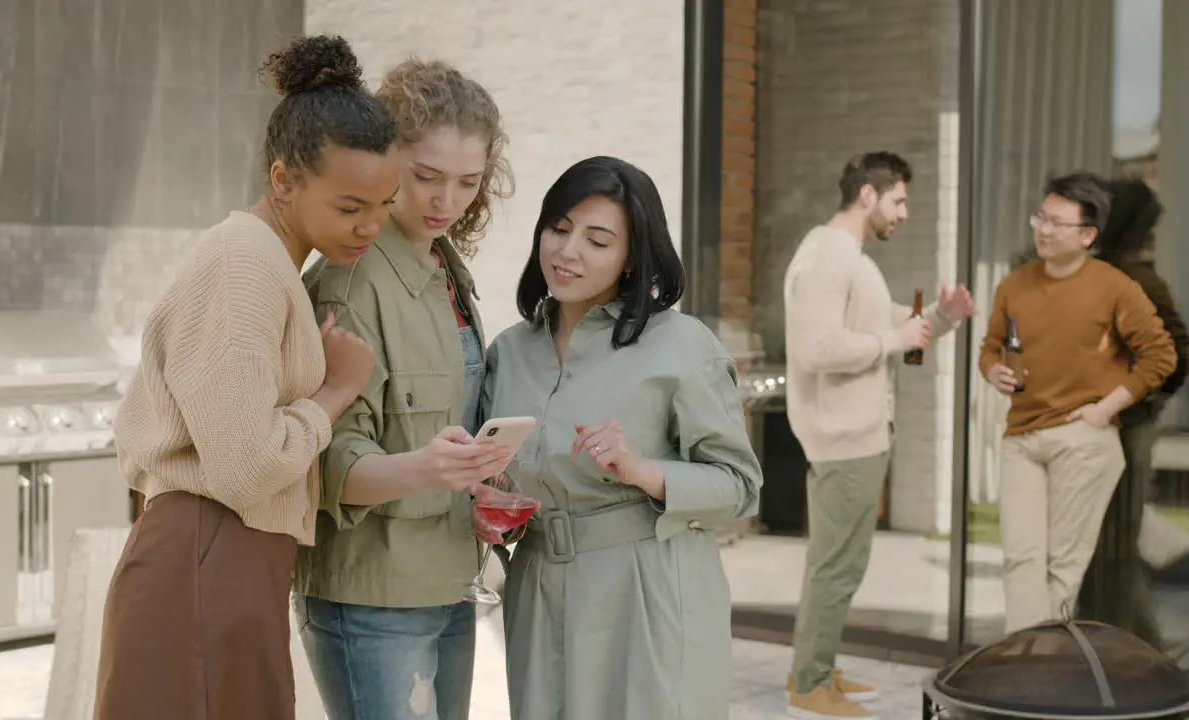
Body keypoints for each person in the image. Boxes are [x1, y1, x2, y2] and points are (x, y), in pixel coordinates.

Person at [94, 35, 399, 719]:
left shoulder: (267, 264)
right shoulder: (243, 266)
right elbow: (243, 467)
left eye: (385, 203)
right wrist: (334, 393)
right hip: (205, 556)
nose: (371, 226)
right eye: (350, 207)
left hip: (224, 561)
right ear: (283, 178)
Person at [482, 156, 763, 720]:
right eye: (559, 229)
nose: (568, 252)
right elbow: (490, 471)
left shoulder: (682, 346)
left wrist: (641, 469)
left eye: (597, 239)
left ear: (632, 256)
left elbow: (739, 486)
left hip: (648, 589)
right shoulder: (510, 352)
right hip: (537, 585)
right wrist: (485, 495)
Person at [294, 58, 515, 720]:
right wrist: (429, 467)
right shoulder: (350, 281)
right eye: (426, 177)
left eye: (468, 183)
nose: (446, 201)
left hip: (452, 579)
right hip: (372, 599)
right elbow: (324, 462)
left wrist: (482, 476)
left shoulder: (446, 267)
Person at [782, 151, 975, 720]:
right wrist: (900, 339)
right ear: (867, 195)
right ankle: (810, 683)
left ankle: (816, 668)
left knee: (840, 562)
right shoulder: (826, 258)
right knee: (836, 566)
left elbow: (888, 322)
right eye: (899, 200)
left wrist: (941, 317)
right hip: (843, 437)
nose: (905, 213)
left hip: (859, 435)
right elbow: (820, 348)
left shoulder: (848, 257)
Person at [980, 171, 1176, 635]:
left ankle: (1034, 668)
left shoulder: (1115, 287)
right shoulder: (1014, 286)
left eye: (1057, 223)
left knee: (1061, 570)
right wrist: (992, 369)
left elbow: (1161, 354)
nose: (1043, 230)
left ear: (1088, 235)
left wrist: (1106, 409)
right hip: (1022, 437)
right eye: (1040, 218)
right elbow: (990, 346)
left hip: (1083, 440)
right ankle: (1033, 664)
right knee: (1020, 560)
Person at [1076, 177, 1189, 651]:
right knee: (1101, 544)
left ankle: (1126, 648)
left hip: (1127, 426)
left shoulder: (1137, 280)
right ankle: (1129, 644)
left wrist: (1147, 398)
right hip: (1099, 427)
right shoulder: (1105, 276)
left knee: (1114, 544)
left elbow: (1176, 355)